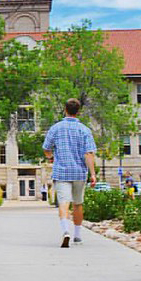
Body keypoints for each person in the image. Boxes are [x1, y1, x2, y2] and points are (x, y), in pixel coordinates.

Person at [43, 98, 97, 248]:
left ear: (65, 109)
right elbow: (89, 154)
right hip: (79, 173)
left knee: (64, 202)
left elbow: (46, 148)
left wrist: (52, 157)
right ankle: (78, 235)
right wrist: (92, 174)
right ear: (78, 111)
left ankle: (66, 231)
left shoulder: (56, 128)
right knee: (78, 204)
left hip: (61, 172)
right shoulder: (85, 130)